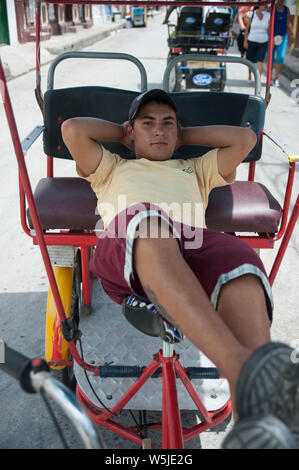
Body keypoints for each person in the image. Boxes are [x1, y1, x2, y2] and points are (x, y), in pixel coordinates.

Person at [61, 89, 299, 437]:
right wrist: (126, 134)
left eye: (167, 124)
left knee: (241, 261)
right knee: (149, 220)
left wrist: (183, 135)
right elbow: (72, 130)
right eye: (148, 123)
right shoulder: (112, 167)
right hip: (128, 249)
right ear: (130, 131)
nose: (159, 130)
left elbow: (245, 139)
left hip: (189, 254)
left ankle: (262, 416)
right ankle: (242, 369)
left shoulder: (195, 168)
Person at [271, 0, 295, 87]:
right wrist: (270, 37)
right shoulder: (271, 9)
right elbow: (269, 23)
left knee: (280, 57)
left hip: (282, 37)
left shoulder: (286, 10)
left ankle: (276, 77)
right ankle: (269, 77)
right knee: (271, 58)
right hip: (272, 37)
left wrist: (291, 34)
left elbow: (288, 23)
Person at [244, 5, 270, 81]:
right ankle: (249, 75)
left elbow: (269, 29)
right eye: (264, 4)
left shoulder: (268, 15)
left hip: (263, 41)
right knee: (250, 61)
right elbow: (247, 28)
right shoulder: (252, 14)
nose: (265, 6)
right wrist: (245, 41)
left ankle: (258, 80)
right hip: (252, 40)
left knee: (260, 61)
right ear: (259, 5)